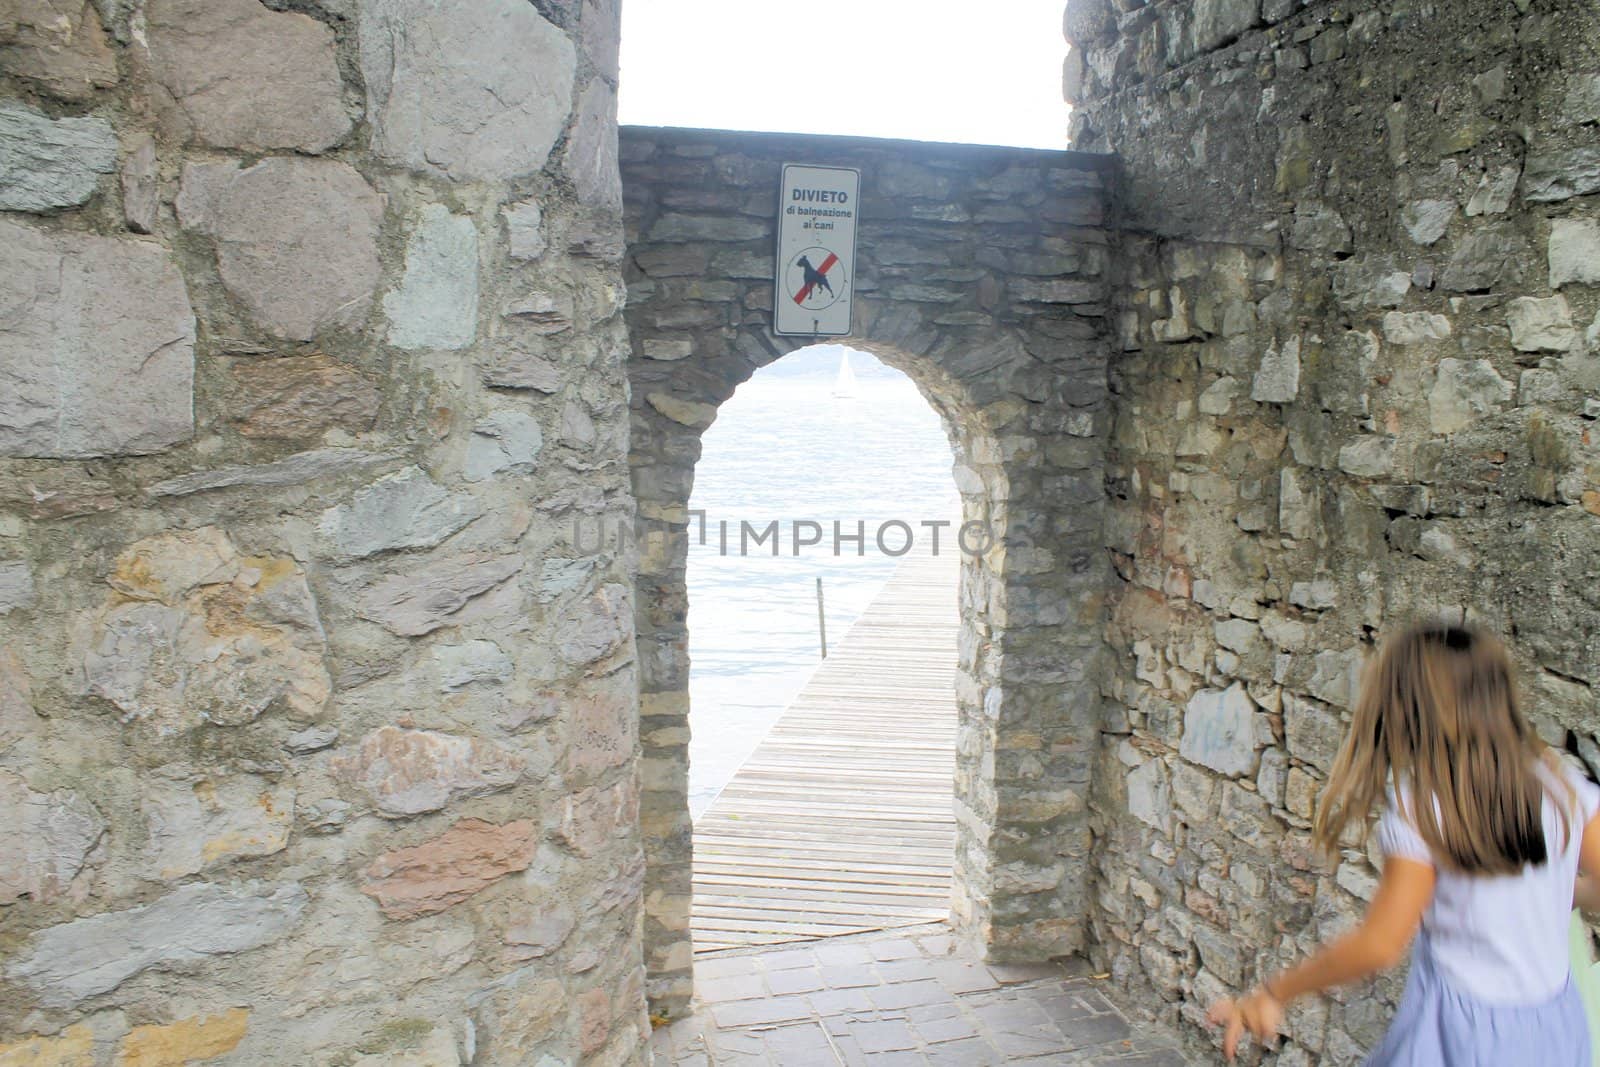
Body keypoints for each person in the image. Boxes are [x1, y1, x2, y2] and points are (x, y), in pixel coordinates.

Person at [1207, 622, 1600, 1063]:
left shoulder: (1424, 807)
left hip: (1463, 1037)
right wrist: (1557, 894)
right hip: (1557, 1031)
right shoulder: (1561, 784)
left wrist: (1275, 991)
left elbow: (1380, 944)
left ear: (1404, 706)